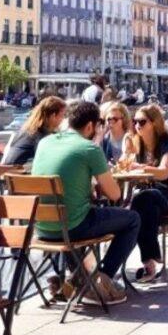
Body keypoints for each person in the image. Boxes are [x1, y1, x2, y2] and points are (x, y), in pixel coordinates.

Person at [31, 101, 138, 304]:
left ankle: (78, 279)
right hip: (72, 226)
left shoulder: (45, 143)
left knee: (76, 213)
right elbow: (114, 194)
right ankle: (101, 280)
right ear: (90, 126)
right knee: (132, 219)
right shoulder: (88, 148)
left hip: (42, 228)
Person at [129, 104, 168, 282]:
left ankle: (151, 259)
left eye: (142, 121)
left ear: (154, 123)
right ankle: (150, 264)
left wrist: (142, 167)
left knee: (143, 200)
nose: (137, 125)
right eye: (135, 122)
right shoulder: (137, 144)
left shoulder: (167, 143)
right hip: (152, 199)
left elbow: (163, 172)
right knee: (143, 208)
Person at [1, 96, 66, 166]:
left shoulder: (26, 130)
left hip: (7, 173)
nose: (63, 119)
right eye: (62, 116)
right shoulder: (43, 135)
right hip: (21, 174)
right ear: (53, 116)